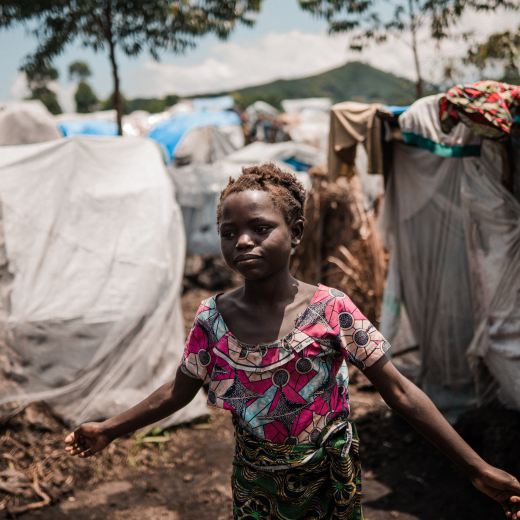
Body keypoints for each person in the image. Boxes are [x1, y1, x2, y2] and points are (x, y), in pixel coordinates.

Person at [66, 163, 520, 520]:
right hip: (256, 486)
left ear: (296, 232)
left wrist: (475, 467)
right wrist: (108, 430)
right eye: (228, 232)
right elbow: (177, 392)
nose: (242, 241)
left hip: (330, 481)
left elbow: (399, 390)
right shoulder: (211, 319)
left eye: (260, 228)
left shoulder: (332, 309)